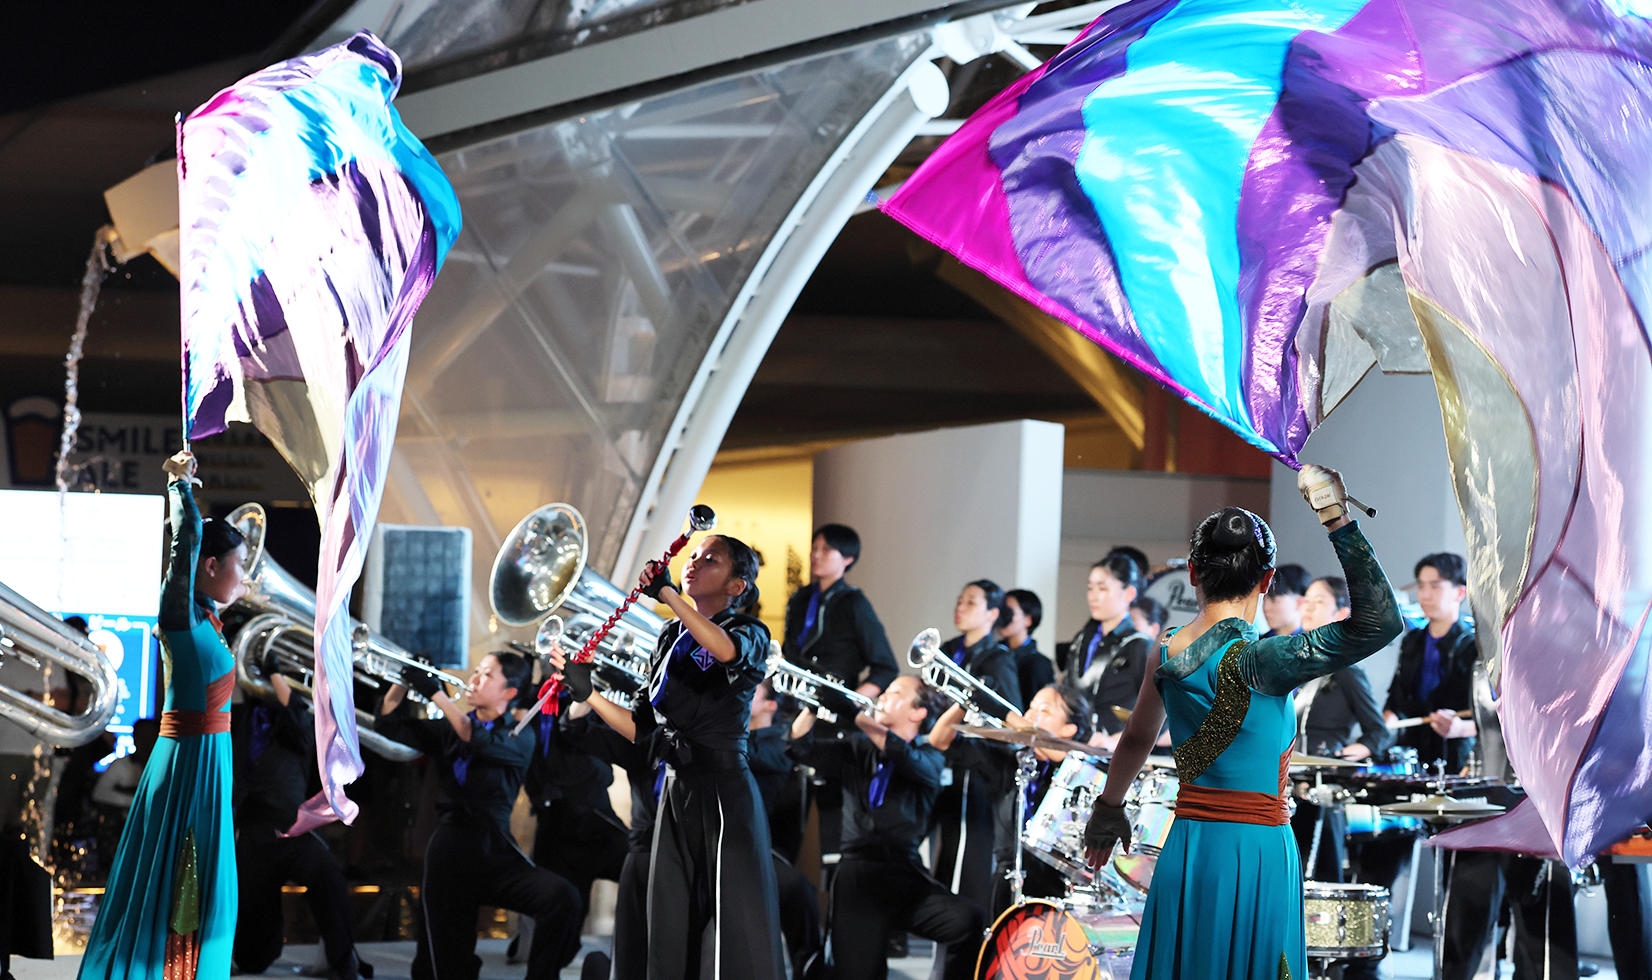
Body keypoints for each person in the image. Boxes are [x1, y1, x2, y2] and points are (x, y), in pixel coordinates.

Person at [1082, 467, 1402, 980]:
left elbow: (1139, 736)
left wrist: (1109, 808)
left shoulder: (1163, 649)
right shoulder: (1268, 659)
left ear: (1191, 572)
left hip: (1188, 848)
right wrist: (1337, 519)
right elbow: (1381, 622)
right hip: (1256, 853)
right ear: (1267, 579)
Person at [550, 534, 786, 980]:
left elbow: (725, 652)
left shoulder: (748, 632)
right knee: (669, 922)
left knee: (735, 928)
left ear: (736, 587)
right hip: (677, 792)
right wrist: (589, 693)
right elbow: (642, 726)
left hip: (724, 794)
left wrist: (669, 595)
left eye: (709, 559)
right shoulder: (669, 634)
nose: (693, 563)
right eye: (692, 556)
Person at [80, 451, 245, 980]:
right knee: (182, 879)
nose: (247, 577)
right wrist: (181, 486)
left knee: (197, 883)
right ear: (212, 566)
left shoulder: (209, 621)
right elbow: (185, 541)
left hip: (206, 763)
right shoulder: (180, 616)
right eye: (240, 565)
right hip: (188, 766)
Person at [377, 651, 583, 980]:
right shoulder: (451, 729)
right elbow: (388, 724)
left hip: (494, 850)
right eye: (476, 671)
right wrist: (404, 680)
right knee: (445, 964)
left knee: (562, 898)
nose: (473, 680)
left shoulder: (520, 736)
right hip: (450, 850)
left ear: (510, 693)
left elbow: (479, 740)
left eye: (486, 675)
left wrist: (436, 694)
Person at [788, 675, 983, 980]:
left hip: (904, 875)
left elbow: (902, 755)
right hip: (858, 876)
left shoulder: (930, 755)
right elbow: (799, 746)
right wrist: (813, 706)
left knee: (967, 920)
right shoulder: (857, 747)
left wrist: (854, 714)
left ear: (917, 713)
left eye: (894, 693)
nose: (882, 698)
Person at [233, 666, 369, 980]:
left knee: (327, 875)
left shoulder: (301, 724)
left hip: (292, 830)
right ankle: (257, 953)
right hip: (254, 834)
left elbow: (296, 713)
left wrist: (276, 672)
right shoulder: (245, 716)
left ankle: (343, 961)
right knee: (252, 958)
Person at [782, 524, 899, 859]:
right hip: (795, 711)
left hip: (833, 726)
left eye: (826, 550)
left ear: (847, 559)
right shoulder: (801, 597)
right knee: (785, 815)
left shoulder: (854, 603)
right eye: (815, 548)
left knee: (834, 825)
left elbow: (885, 666)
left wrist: (847, 702)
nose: (816, 555)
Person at [929, 684, 1094, 916]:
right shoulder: (1010, 759)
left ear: (1069, 728)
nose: (1028, 715)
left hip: (1056, 881)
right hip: (1008, 878)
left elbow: (1054, 749)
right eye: (1031, 708)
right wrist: (966, 701)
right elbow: (940, 740)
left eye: (1044, 710)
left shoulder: (1076, 765)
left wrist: (1003, 712)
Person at [1288, 576, 1390, 884]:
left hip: (1321, 790)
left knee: (1318, 877)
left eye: (1320, 601)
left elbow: (1378, 732)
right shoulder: (1296, 660)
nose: (1309, 607)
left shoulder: (1347, 669)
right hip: (1287, 782)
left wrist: (1345, 755)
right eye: (1306, 599)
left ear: (1341, 614)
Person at [930, 579, 1020, 926]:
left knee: (967, 852)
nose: (960, 607)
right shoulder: (952, 648)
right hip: (943, 757)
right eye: (960, 600)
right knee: (945, 843)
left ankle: (965, 930)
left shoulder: (997, 658)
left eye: (971, 602)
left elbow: (1006, 714)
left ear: (992, 614)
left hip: (974, 766)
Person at [747, 679, 823, 977]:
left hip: (760, 841)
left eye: (753, 691)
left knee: (798, 891)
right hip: (724, 837)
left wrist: (816, 703)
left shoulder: (780, 737)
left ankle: (810, 968)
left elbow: (790, 742)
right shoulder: (726, 728)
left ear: (770, 705)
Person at [1384, 553, 1478, 772]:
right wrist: (1387, 719)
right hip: (1413, 753)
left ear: (1460, 592)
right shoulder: (1412, 641)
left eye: (1435, 587)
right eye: (1421, 586)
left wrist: (1461, 728)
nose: (1425, 595)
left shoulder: (1474, 645)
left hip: (1457, 758)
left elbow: (1493, 715)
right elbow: (1397, 697)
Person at [1061, 554, 1150, 749]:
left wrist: (1113, 740)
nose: (1093, 595)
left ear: (1129, 594)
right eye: (1090, 587)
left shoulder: (1139, 645)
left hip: (1115, 755)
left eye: (1102, 588)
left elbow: (1160, 711)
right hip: (1076, 747)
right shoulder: (1082, 639)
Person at [999, 589, 1055, 708]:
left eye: (1009, 612)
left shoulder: (1038, 664)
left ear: (1028, 620)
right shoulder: (995, 654)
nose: (1003, 617)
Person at [1261, 564, 1311, 638]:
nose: (1265, 608)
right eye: (1264, 600)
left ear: (1299, 603)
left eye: (1274, 600)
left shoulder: (1311, 646)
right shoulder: (1256, 644)